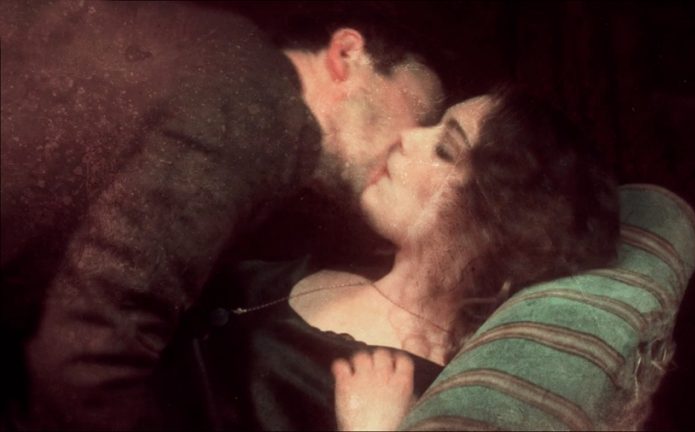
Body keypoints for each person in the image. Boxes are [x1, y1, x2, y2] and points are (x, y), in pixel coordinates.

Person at [0, 1, 442, 430]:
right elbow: (87, 352)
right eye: (421, 113)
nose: (411, 140)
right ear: (347, 53)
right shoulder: (260, 113)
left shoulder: (230, 58)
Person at [198, 86, 620, 430]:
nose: (408, 136)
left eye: (445, 150)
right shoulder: (332, 251)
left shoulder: (435, 397)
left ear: (493, 219)